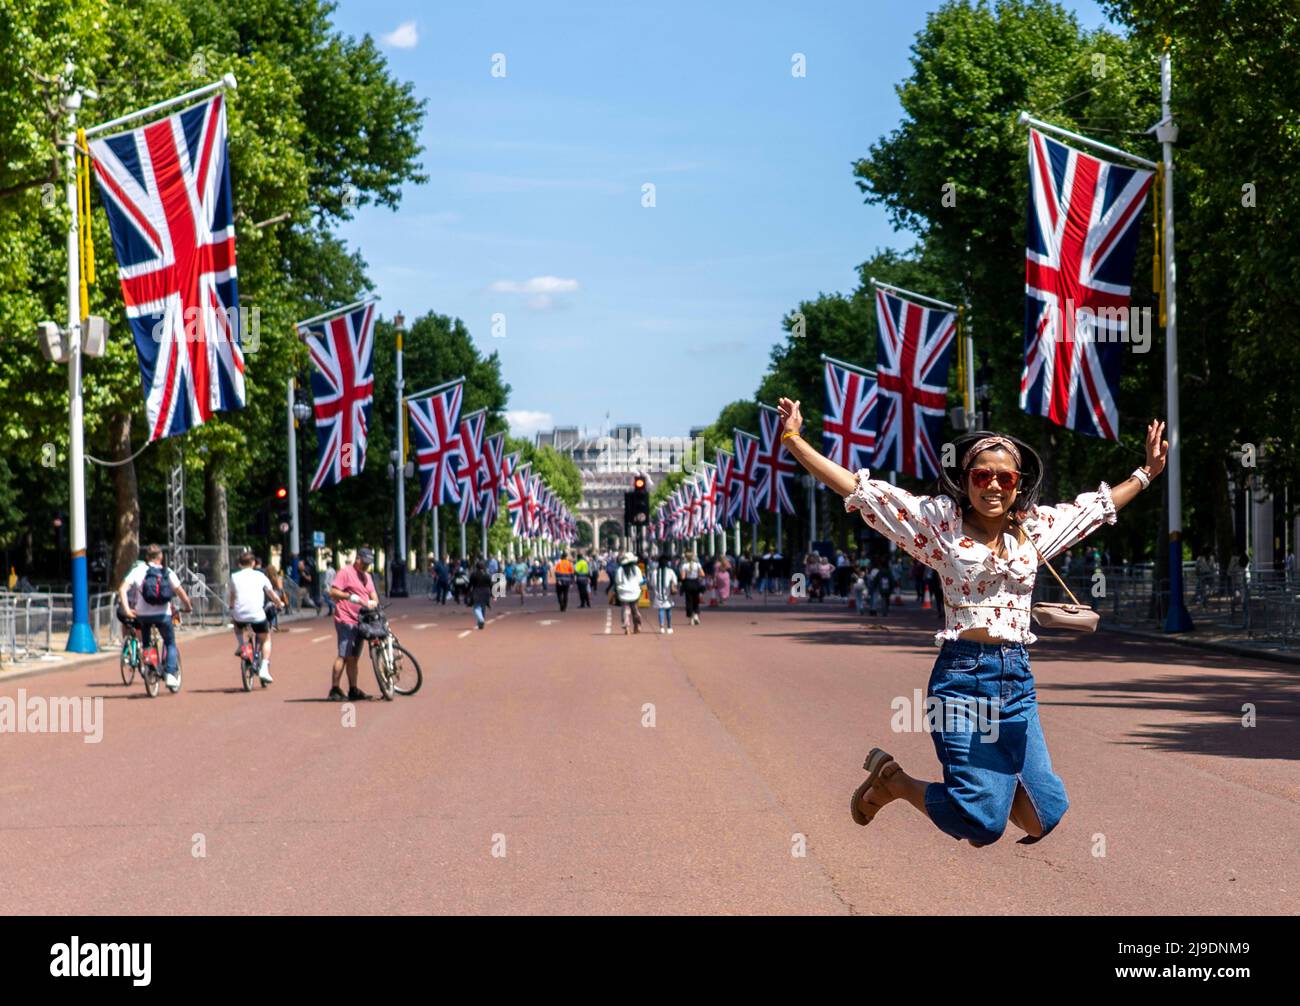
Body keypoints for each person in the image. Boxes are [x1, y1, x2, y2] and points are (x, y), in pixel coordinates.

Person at [776, 394, 1168, 848]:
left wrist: (1146, 473)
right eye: (983, 476)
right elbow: (861, 492)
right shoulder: (939, 526)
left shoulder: (1033, 529)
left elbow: (1094, 510)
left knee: (1044, 816)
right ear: (966, 481)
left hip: (1017, 681)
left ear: (1019, 485)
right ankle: (898, 785)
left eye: (1006, 477)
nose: (994, 486)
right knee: (982, 821)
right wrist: (794, 441)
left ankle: (945, 791)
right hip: (962, 681)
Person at [117, 544, 193, 692]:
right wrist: (188, 606)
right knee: (170, 642)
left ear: (146, 557)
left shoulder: (138, 571)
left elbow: (122, 589)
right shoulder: (167, 571)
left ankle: (148, 663)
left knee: (146, 642)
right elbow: (180, 592)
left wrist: (127, 609)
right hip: (163, 615)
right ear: (161, 557)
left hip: (143, 615)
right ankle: (170, 674)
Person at [326, 547, 378, 701]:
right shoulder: (345, 572)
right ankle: (334, 689)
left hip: (361, 619)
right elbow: (333, 592)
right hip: (346, 619)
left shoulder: (367, 576)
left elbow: (373, 593)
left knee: (354, 657)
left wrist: (373, 602)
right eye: (365, 563)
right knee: (344, 654)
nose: (366, 567)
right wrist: (350, 597)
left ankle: (353, 689)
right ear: (358, 559)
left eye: (369, 564)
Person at [227, 550, 283, 684]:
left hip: (240, 615)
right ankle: (264, 667)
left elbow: (232, 596)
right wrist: (279, 603)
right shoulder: (260, 576)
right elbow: (271, 593)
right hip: (257, 615)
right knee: (266, 638)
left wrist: (231, 607)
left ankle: (241, 645)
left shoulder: (234, 577)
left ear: (239, 564)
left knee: (236, 622)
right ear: (253, 563)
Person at [615, 552, 644, 634]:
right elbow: (640, 581)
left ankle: (627, 627)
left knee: (625, 609)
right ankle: (637, 625)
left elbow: (618, 581)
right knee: (635, 609)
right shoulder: (636, 569)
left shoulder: (620, 570)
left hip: (623, 593)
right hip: (635, 592)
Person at [650, 554, 678, 633]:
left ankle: (661, 627)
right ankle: (669, 626)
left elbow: (652, 583)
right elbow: (675, 581)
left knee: (661, 610)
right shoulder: (670, 571)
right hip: (668, 593)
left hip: (658, 594)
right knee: (668, 610)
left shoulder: (655, 572)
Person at [680, 551, 704, 625]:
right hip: (696, 583)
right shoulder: (697, 565)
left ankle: (691, 618)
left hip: (688, 583)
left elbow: (683, 577)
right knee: (696, 600)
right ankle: (696, 615)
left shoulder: (684, 566)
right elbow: (702, 574)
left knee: (689, 601)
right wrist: (697, 575)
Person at [469, 559, 493, 629]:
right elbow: (491, 585)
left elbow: (470, 585)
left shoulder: (473, 575)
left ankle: (481, 620)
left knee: (476, 608)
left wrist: (466, 592)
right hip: (486, 592)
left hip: (477, 592)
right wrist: (493, 594)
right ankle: (480, 623)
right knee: (483, 608)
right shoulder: (487, 575)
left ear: (476, 567)